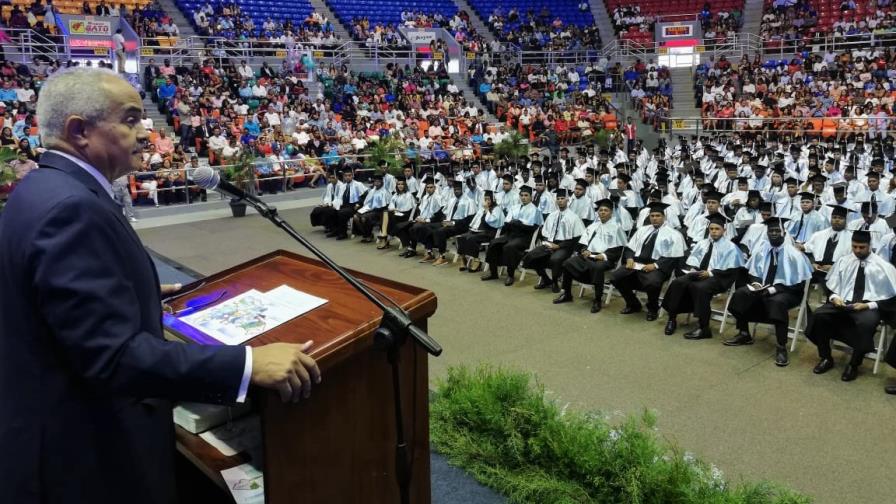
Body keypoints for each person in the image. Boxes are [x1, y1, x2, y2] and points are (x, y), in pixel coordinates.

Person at [0, 67, 320, 504]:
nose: (144, 133)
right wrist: (247, 365)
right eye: (130, 119)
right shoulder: (71, 208)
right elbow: (111, 357)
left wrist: (139, 295)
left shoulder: (42, 188)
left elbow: (63, 311)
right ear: (80, 131)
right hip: (82, 456)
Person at [806, 230, 896, 381]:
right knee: (819, 315)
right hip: (844, 302)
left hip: (867, 307)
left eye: (862, 247)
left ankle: (854, 364)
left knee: (866, 323)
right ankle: (826, 357)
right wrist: (834, 297)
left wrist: (868, 306)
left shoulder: (884, 267)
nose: (857, 250)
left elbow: (892, 297)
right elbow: (831, 286)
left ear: (870, 245)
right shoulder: (844, 261)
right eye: (854, 247)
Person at [725, 217, 813, 367]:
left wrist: (773, 289)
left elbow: (798, 284)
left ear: (784, 233)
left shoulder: (795, 254)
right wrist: (757, 283)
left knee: (777, 302)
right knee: (741, 294)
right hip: (764, 288)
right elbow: (754, 271)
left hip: (789, 291)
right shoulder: (762, 250)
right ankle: (744, 333)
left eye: (777, 231)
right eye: (771, 231)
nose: (773, 233)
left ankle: (781, 346)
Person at [662, 213, 745, 339]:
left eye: (717, 229)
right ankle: (672, 318)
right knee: (678, 282)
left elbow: (732, 271)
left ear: (724, 230)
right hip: (699, 274)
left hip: (718, 278)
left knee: (700, 288)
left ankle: (704, 328)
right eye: (711, 229)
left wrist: (710, 273)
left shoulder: (731, 248)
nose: (714, 232)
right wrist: (693, 270)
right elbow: (693, 261)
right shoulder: (703, 243)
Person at [610, 202, 687, 321]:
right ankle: (633, 304)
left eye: (658, 216)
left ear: (664, 217)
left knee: (652, 282)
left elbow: (672, 257)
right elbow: (630, 248)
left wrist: (655, 265)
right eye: (652, 216)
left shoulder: (674, 235)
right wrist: (630, 258)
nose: (655, 218)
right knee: (615, 277)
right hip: (636, 264)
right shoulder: (642, 230)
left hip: (658, 267)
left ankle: (652, 308)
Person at [553, 198, 628, 312]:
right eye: (600, 210)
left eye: (606, 210)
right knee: (568, 263)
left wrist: (603, 255)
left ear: (611, 212)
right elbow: (582, 243)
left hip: (604, 259)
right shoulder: (593, 226)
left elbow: (618, 249)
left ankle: (597, 300)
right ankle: (567, 294)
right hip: (588, 256)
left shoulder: (616, 228)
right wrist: (584, 250)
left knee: (597, 267)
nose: (602, 212)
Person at [520, 188, 586, 293]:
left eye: (562, 198)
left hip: (565, 246)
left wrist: (558, 246)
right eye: (558, 198)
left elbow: (576, 239)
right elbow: (545, 233)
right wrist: (548, 242)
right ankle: (546, 280)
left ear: (567, 200)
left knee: (555, 259)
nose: (560, 200)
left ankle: (555, 282)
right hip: (550, 244)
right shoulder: (552, 215)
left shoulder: (574, 217)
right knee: (531, 256)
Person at [482, 185, 544, 286]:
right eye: (522, 195)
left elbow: (532, 227)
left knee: (509, 247)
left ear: (531, 197)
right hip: (511, 234)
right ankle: (493, 273)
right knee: (494, 243)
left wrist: (517, 223)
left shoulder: (535, 210)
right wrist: (515, 223)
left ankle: (510, 275)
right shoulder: (514, 207)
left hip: (525, 237)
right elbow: (507, 223)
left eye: (526, 195)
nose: (523, 197)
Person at [429, 181, 477, 266]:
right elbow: (444, 212)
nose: (456, 191)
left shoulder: (469, 201)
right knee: (429, 227)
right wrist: (444, 220)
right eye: (455, 189)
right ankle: (430, 252)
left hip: (461, 226)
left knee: (440, 231)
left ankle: (442, 257)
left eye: (458, 189)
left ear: (463, 190)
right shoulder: (452, 200)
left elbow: (469, 220)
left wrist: (453, 223)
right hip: (449, 223)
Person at [456, 190, 504, 273]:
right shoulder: (483, 208)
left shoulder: (497, 209)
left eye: (488, 199)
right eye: (485, 199)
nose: (487, 201)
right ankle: (463, 259)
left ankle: (477, 261)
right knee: (462, 237)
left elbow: (492, 220)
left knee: (472, 239)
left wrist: (486, 210)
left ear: (493, 200)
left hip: (489, 232)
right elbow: (477, 220)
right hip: (479, 231)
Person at [351, 173, 391, 242]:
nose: (377, 183)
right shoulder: (372, 191)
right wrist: (366, 208)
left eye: (378, 182)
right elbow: (367, 202)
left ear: (382, 182)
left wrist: (374, 208)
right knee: (355, 217)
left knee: (364, 218)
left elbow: (386, 205)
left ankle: (368, 235)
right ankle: (366, 233)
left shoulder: (385, 192)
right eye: (375, 181)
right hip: (369, 209)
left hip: (379, 211)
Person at [380, 176, 416, 250]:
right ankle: (385, 235)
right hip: (397, 214)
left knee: (392, 218)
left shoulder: (408, 195)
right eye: (398, 184)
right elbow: (391, 205)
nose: (400, 186)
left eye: (402, 184)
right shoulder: (396, 195)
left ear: (405, 185)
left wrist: (397, 210)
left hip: (406, 215)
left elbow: (408, 208)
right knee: (385, 213)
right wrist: (393, 209)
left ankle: (386, 236)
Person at [332, 167, 368, 240]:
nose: (347, 177)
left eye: (349, 175)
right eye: (346, 176)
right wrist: (335, 204)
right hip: (345, 205)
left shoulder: (358, 184)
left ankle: (343, 233)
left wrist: (358, 203)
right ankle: (335, 230)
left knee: (342, 213)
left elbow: (365, 195)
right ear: (343, 177)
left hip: (355, 206)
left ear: (352, 175)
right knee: (332, 211)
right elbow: (339, 197)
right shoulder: (343, 186)